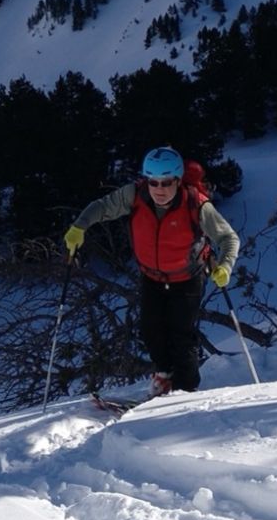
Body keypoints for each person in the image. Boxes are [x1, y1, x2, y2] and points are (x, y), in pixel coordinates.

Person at [64, 145, 240, 396]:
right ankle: (165, 376)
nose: (159, 189)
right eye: (153, 182)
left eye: (166, 182)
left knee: (182, 335)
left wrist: (224, 266)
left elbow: (228, 238)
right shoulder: (135, 195)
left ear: (178, 180)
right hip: (152, 277)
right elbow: (102, 207)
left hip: (187, 277)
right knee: (150, 329)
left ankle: (186, 391)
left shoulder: (196, 203)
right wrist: (79, 227)